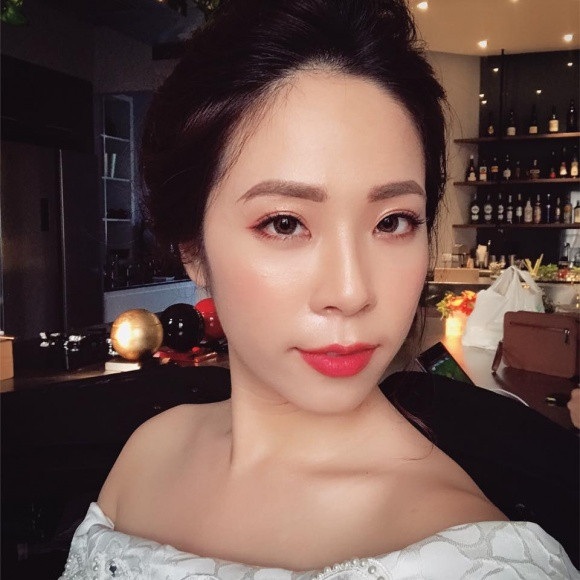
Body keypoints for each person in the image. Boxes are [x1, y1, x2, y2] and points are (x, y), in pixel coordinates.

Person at [60, 0, 578, 577]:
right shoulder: (149, 452)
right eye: (285, 223)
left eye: (393, 222)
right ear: (192, 248)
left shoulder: (479, 558)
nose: (351, 292)